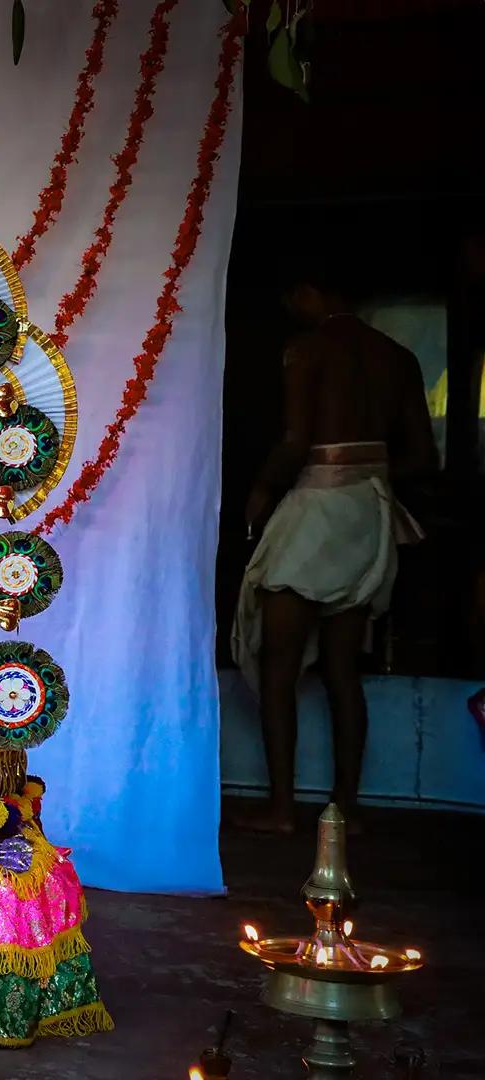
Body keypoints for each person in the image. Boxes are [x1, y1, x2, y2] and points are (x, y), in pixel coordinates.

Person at [233, 267, 437, 834]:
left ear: (311, 291)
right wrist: (365, 470)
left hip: (317, 510)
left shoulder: (307, 348)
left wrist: (262, 488)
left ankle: (281, 809)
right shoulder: (399, 358)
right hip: (367, 512)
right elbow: (424, 457)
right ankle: (345, 809)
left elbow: (297, 440)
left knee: (279, 666)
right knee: (342, 669)